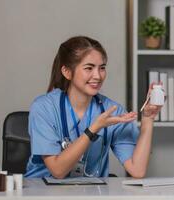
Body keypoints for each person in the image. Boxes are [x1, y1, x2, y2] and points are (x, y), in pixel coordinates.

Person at [24, 36, 161, 179]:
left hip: (91, 192)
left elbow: (137, 170)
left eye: (102, 68)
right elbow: (58, 171)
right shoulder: (44, 108)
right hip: (42, 192)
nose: (97, 76)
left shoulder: (111, 110)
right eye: (89, 68)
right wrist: (93, 129)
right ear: (67, 72)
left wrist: (148, 119)